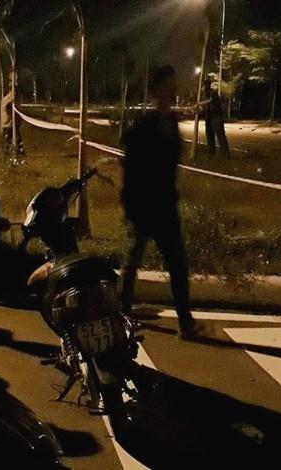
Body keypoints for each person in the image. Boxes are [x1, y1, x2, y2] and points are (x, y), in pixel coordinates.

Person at [120, 65, 201, 340]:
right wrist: (129, 206)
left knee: (177, 265)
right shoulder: (143, 126)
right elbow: (130, 169)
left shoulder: (172, 124)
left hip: (166, 207)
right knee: (132, 262)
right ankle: (121, 315)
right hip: (144, 207)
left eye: (173, 86)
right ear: (156, 91)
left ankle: (185, 323)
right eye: (167, 86)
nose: (172, 91)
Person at [199, 78, 231, 159]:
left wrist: (199, 104)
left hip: (216, 117)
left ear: (206, 86)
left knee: (220, 135)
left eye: (202, 86)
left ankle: (225, 154)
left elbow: (210, 101)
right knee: (209, 136)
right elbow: (205, 107)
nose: (201, 88)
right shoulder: (205, 95)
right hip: (209, 118)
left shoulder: (213, 93)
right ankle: (211, 153)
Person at [0, 86, 26, 159]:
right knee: (7, 140)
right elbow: (8, 109)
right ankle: (6, 154)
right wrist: (12, 101)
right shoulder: (6, 99)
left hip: (13, 124)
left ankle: (20, 152)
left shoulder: (12, 100)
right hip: (7, 124)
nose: (14, 94)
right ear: (10, 91)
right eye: (13, 92)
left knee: (18, 138)